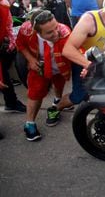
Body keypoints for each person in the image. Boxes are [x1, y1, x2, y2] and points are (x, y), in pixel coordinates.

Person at [47, 0, 105, 125]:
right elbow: (68, 50)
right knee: (78, 97)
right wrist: (91, 66)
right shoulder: (90, 20)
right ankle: (55, 107)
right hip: (84, 60)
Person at [16, 10, 71, 141]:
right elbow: (20, 44)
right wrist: (30, 59)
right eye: (49, 32)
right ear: (37, 32)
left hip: (59, 65)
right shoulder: (26, 30)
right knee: (35, 92)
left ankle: (57, 102)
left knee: (59, 83)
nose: (56, 33)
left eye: (56, 27)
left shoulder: (65, 32)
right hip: (39, 66)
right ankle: (29, 124)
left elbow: (73, 50)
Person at [0, 0, 26, 113]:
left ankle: (11, 101)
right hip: (4, 43)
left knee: (4, 74)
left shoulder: (2, 1)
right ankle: (11, 102)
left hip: (5, 44)